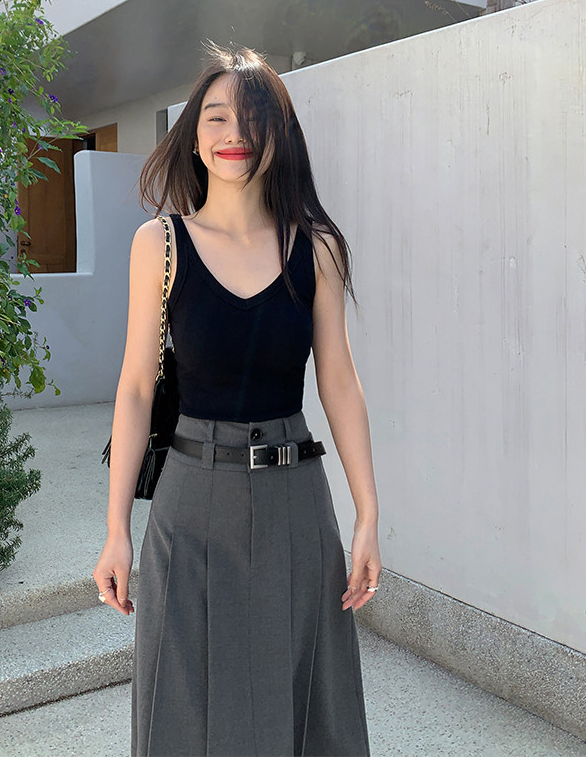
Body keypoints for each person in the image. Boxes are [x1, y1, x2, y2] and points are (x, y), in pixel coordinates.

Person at [93, 44, 381, 757]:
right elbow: (136, 388)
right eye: (216, 117)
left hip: (296, 501)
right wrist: (116, 529)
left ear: (280, 135)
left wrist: (368, 515)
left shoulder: (316, 247)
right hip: (191, 500)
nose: (235, 134)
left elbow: (339, 381)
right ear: (193, 136)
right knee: (184, 699)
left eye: (254, 118)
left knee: (304, 697)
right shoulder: (159, 244)